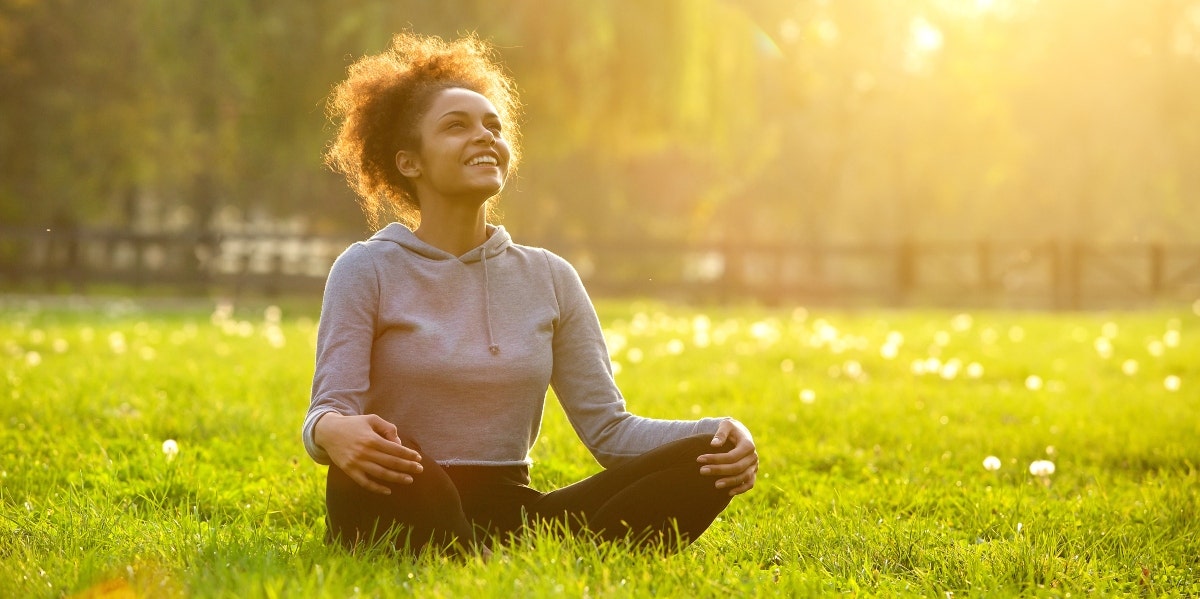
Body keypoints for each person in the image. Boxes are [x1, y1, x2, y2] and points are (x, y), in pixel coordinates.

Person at [302, 32, 758, 557]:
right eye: (457, 127)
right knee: (409, 467)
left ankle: (480, 554)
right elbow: (328, 411)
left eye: (493, 127)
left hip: (511, 510)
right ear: (410, 162)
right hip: (399, 489)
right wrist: (332, 433)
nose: (484, 137)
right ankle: (481, 556)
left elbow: (610, 430)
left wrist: (724, 432)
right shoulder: (366, 268)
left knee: (707, 459)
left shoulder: (550, 276)